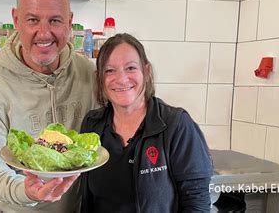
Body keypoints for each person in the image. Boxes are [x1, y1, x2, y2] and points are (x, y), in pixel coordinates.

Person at [0, 0, 97, 212]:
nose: (44, 33)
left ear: (69, 21)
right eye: (33, 20)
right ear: (16, 20)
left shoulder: (88, 74)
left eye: (55, 21)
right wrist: (26, 191)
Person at [80, 33, 213, 212]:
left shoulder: (176, 125)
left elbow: (197, 203)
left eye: (131, 68)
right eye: (109, 70)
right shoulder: (92, 125)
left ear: (147, 71)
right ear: (100, 78)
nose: (121, 78)